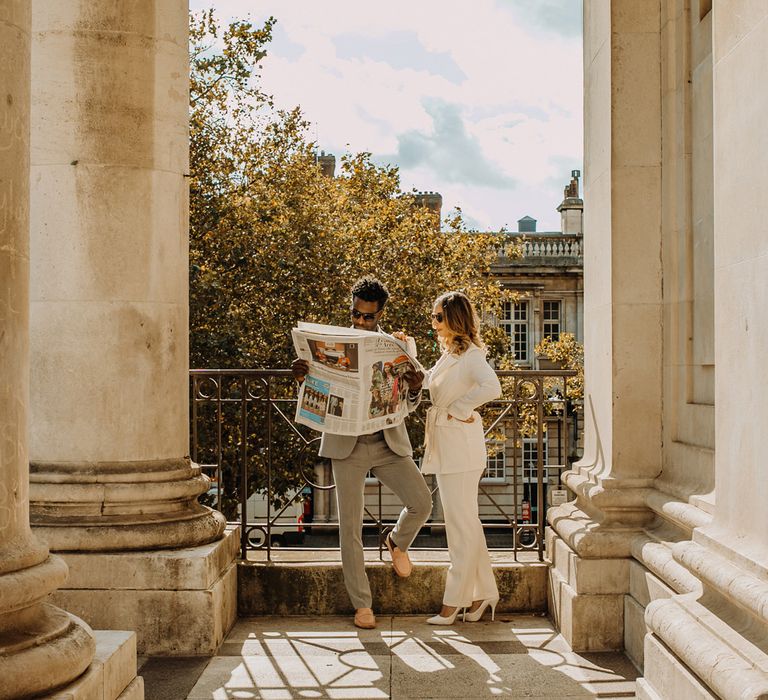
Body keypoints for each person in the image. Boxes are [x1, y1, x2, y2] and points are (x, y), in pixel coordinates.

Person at [292, 276, 432, 630]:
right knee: (349, 528)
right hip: (346, 445)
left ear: (380, 313)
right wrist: (302, 379)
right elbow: (318, 396)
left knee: (422, 502)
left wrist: (415, 388)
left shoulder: (394, 347)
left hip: (387, 443)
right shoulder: (334, 343)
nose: (359, 322)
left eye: (368, 317)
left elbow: (409, 404)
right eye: (355, 314)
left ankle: (396, 542)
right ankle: (362, 605)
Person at [420, 291, 502, 625]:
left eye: (439, 317)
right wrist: (406, 352)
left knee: (459, 525)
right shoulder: (449, 353)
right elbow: (428, 382)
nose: (434, 322)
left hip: (461, 449)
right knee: (466, 522)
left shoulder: (469, 355)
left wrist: (460, 408)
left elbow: (492, 386)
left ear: (454, 319)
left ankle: (454, 602)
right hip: (449, 445)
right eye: (433, 316)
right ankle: (484, 595)